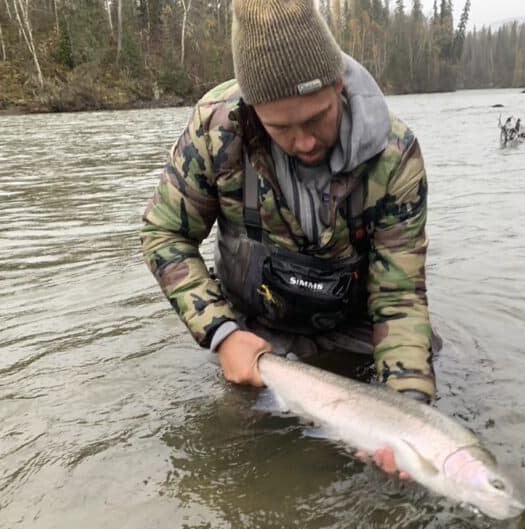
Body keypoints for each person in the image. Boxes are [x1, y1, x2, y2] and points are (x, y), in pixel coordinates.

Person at [140, 0, 438, 476]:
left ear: (338, 85)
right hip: (256, 337)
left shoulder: (395, 157)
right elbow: (165, 234)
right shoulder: (214, 133)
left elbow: (399, 298)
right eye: (280, 127)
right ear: (252, 110)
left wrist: (408, 411)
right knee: (240, 466)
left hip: (354, 330)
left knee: (409, 455)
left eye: (317, 118)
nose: (303, 143)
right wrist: (222, 333)